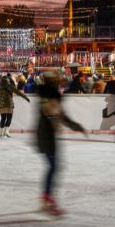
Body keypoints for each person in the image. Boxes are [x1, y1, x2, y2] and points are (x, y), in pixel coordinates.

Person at [36, 73, 86, 216]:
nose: (59, 84)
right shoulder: (50, 95)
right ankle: (47, 199)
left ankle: (46, 197)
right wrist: (75, 126)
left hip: (46, 135)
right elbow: (58, 115)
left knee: (53, 167)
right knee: (53, 167)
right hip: (47, 136)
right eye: (57, 81)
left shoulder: (46, 94)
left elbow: (57, 115)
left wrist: (74, 125)